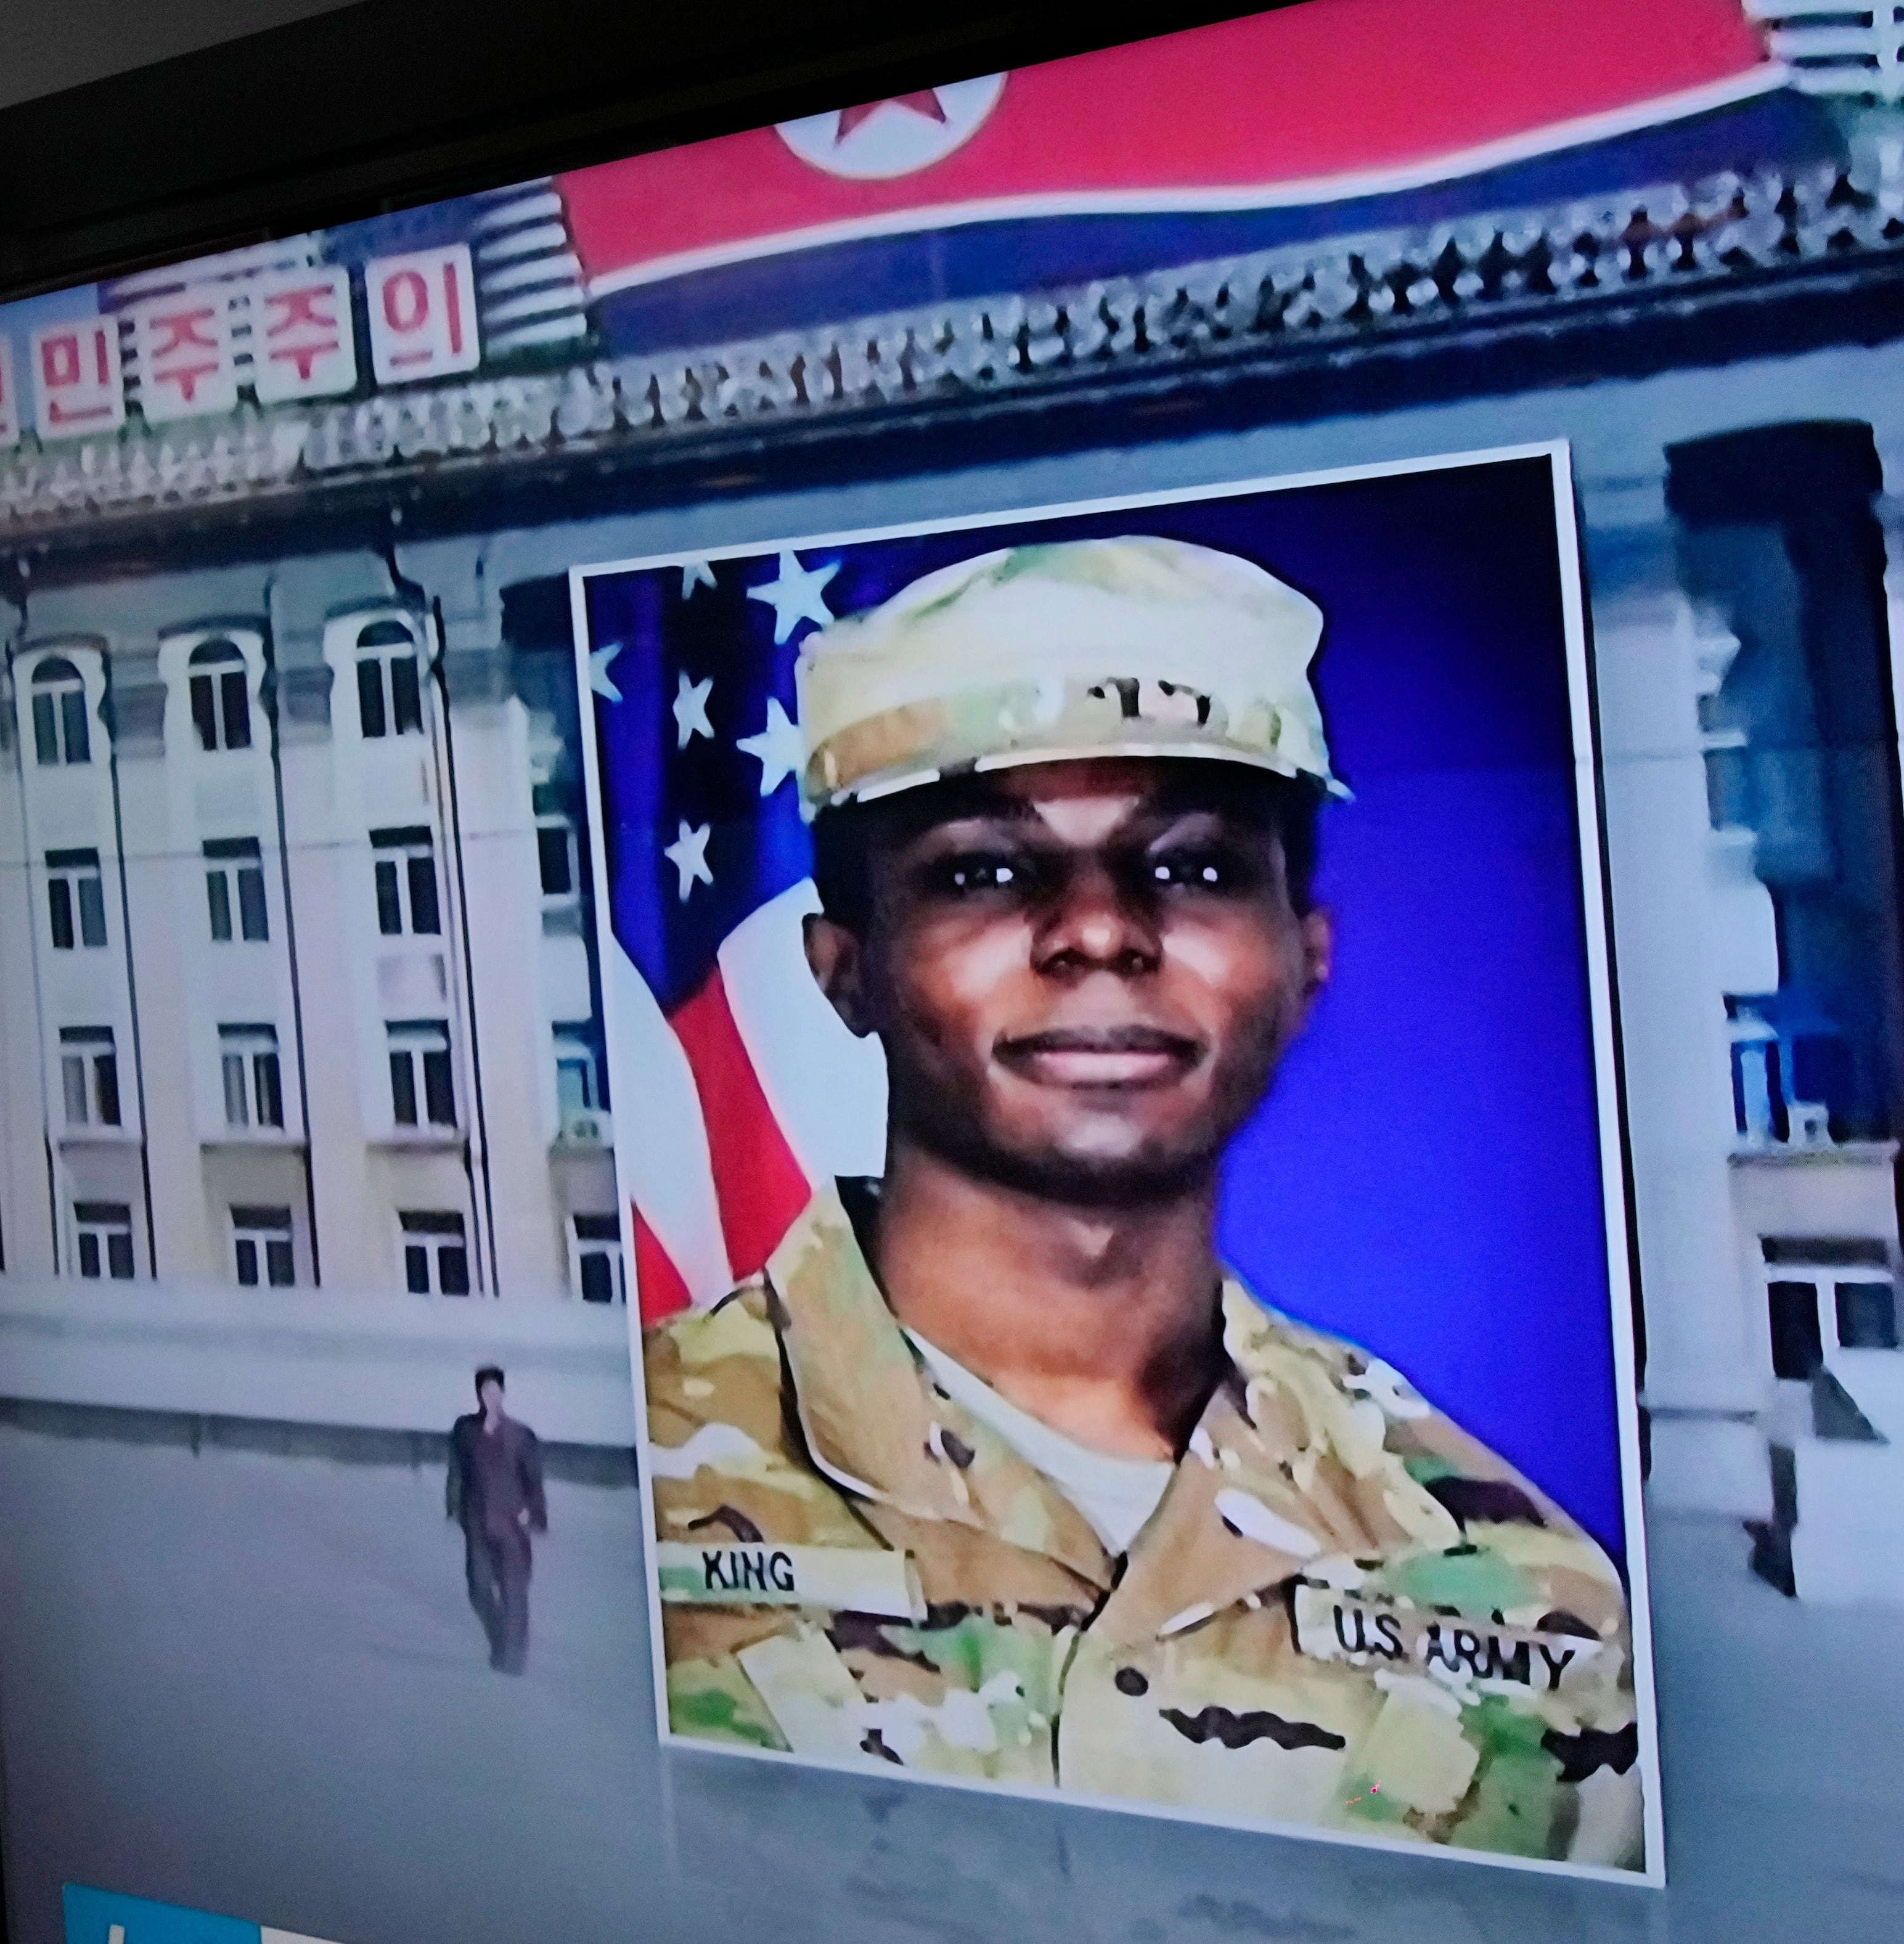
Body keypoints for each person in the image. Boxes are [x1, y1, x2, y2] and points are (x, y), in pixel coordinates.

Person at [642, 538, 1641, 1868]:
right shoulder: (630, 1481)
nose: (1100, 928)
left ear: (1307, 960)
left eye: (1192, 864)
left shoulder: (1526, 1588)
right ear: (844, 970)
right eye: (984, 869)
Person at [444, 1365, 545, 1675]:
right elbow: (457, 1471)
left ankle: (513, 1658)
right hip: (477, 1523)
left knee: (514, 1591)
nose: (489, 1397)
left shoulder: (521, 1435)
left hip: (513, 1525)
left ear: (503, 1393)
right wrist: (454, 1506)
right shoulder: (465, 1431)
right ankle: (501, 1642)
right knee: (478, 1589)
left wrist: (535, 1513)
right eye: (483, 1391)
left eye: (494, 1391)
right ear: (478, 1395)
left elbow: (533, 1479)